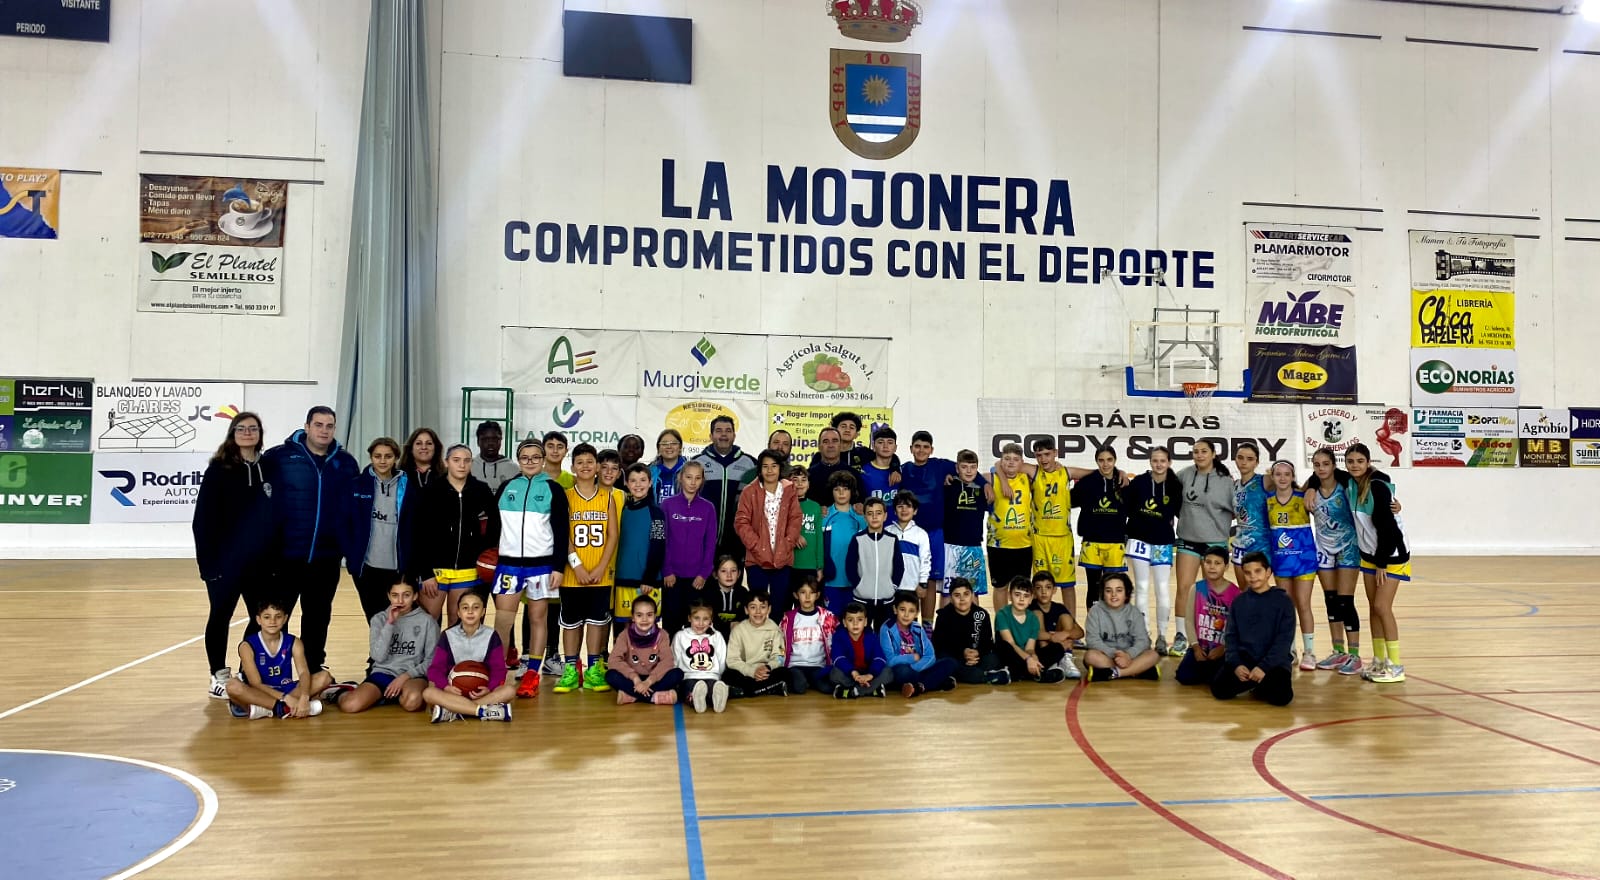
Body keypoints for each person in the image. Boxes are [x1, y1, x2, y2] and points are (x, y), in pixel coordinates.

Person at [261, 406, 359, 674]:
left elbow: (352, 509)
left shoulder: (346, 463)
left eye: (329, 426)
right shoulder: (279, 458)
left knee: (317, 618)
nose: (324, 431)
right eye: (318, 425)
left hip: (326, 558)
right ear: (306, 426)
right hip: (286, 556)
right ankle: (266, 672)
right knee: (276, 616)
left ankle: (313, 669)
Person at [195, 410, 276, 699]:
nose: (247, 433)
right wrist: (208, 565)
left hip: (260, 564)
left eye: (253, 428)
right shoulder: (219, 469)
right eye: (241, 429)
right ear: (233, 433)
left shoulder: (268, 467)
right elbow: (202, 520)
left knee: (260, 619)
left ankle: (246, 671)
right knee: (221, 616)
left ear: (259, 434)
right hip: (225, 564)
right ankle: (218, 674)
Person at [492, 439, 567, 698]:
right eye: (525, 457)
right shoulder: (506, 487)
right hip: (509, 565)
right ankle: (498, 673)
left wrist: (558, 567)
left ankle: (532, 674)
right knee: (503, 620)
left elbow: (561, 531)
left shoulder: (554, 489)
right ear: (518, 459)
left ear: (543, 459)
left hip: (542, 565)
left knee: (538, 619)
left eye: (536, 457)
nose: (531, 462)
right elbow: (494, 527)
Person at [554, 443, 619, 694]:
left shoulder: (607, 498)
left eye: (589, 462)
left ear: (597, 468)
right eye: (579, 462)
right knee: (570, 623)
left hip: (599, 574)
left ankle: (593, 669)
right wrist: (577, 565)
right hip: (572, 574)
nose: (584, 466)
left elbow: (612, 536)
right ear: (572, 467)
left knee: (596, 622)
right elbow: (563, 534)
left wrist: (601, 567)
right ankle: (571, 669)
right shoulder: (566, 496)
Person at [1344, 443, 1411, 684]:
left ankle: (1396, 666)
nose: (1355, 466)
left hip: (1390, 555)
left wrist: (1382, 563)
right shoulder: (1351, 483)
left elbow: (1388, 530)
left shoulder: (1377, 488)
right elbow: (1322, 475)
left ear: (1368, 462)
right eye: (1350, 461)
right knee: (1373, 607)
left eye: (1360, 461)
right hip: (1370, 556)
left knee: (1383, 607)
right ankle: (1379, 660)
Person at [414, 445, 499, 625]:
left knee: (457, 623)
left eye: (466, 461)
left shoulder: (481, 491)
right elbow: (418, 533)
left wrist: (484, 556)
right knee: (427, 622)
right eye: (456, 460)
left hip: (467, 571)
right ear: (446, 463)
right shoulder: (431, 490)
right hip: (435, 571)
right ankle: (430, 655)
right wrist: (425, 572)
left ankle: (453, 655)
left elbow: (493, 528)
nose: (462, 465)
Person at [341, 437, 418, 625]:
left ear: (396, 458)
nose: (382, 461)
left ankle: (393, 655)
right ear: (371, 457)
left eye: (388, 456)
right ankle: (377, 654)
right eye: (377, 456)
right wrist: (351, 557)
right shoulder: (356, 485)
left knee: (397, 620)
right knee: (375, 619)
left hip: (397, 568)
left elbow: (414, 526)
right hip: (367, 568)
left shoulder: (408, 487)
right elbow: (344, 523)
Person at [1303, 447, 1364, 675]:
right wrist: (1309, 487)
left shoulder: (1347, 486)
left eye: (1325, 464)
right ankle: (1338, 651)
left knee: (1345, 600)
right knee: (1331, 600)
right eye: (1316, 464)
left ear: (1333, 465)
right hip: (1324, 549)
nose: (1321, 469)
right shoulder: (1311, 490)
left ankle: (1355, 655)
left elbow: (1376, 481)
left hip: (1348, 547)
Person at [337, 580, 438, 713]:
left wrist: (405, 677)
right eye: (395, 595)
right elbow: (377, 656)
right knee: (350, 706)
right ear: (389, 596)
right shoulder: (379, 619)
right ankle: (341, 691)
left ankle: (392, 696)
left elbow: (431, 661)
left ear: (415, 596)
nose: (400, 601)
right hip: (384, 673)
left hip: (412, 676)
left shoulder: (427, 621)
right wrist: (390, 624)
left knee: (413, 702)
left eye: (406, 595)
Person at [224, 598, 333, 719]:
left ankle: (268, 709)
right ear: (258, 620)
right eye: (267, 617)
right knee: (232, 686)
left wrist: (304, 697)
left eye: (278, 616)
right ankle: (282, 708)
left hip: (287, 688)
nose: (272, 621)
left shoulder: (294, 641)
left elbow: (303, 672)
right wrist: (285, 698)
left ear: (285, 618)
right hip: (261, 691)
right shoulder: (247, 646)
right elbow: (256, 683)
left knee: (324, 677)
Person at [1172, 439, 1232, 660]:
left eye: (1204, 451)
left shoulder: (1225, 481)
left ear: (1214, 454)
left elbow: (1237, 510)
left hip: (1214, 542)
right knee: (1185, 588)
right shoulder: (1184, 475)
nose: (1199, 455)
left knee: (1213, 592)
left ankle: (1217, 638)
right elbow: (1171, 498)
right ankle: (1180, 636)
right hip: (1188, 538)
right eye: (1195, 451)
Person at [1210, 553, 1295, 706]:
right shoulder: (1239, 601)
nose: (1253, 577)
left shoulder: (1284, 602)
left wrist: (1263, 667)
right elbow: (1231, 636)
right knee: (1219, 689)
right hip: (1246, 660)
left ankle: (1258, 684)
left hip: (1273, 664)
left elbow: (1284, 641)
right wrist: (1236, 664)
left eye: (1258, 571)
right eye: (1248, 573)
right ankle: (1254, 683)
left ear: (1268, 572)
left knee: (1282, 698)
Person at [422, 590, 516, 722]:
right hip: (454, 692)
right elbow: (435, 670)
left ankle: (453, 711)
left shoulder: (491, 635)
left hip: (480, 693)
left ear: (483, 611)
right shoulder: (447, 635)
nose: (470, 611)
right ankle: (483, 711)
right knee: (428, 693)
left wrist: (489, 688)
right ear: (459, 613)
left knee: (510, 690)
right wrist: (446, 687)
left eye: (476, 607)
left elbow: (499, 669)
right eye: (465, 608)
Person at [1124, 446, 1182, 653]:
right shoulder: (1139, 482)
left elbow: (1181, 512)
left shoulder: (1175, 485)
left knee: (1162, 588)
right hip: (1139, 540)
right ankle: (1144, 636)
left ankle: (1161, 636)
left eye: (1162, 461)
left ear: (1169, 462)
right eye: (1155, 460)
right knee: (1141, 587)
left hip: (1163, 542)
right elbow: (1127, 507)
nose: (1158, 464)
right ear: (1150, 462)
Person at [1266, 460, 1319, 671]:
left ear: (1293, 476)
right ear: (1272, 476)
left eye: (1286, 474)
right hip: (1281, 559)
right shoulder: (1267, 500)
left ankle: (1310, 652)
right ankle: (1289, 649)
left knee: (1303, 604)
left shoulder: (1303, 497)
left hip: (1304, 558)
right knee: (1285, 607)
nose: (1282, 478)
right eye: (1278, 474)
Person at [733, 449, 803, 610]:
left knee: (779, 606)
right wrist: (758, 547)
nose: (770, 470)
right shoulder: (749, 491)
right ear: (759, 469)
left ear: (780, 468)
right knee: (758, 606)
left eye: (774, 466)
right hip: (756, 559)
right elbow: (741, 522)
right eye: (765, 466)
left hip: (783, 558)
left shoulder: (789, 490)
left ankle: (776, 636)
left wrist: (786, 544)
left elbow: (795, 519)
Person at [900, 431, 957, 623]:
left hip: (934, 532)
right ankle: (909, 624)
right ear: (911, 449)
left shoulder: (940, 465)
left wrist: (985, 484)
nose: (921, 450)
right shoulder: (904, 469)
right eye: (917, 446)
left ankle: (927, 624)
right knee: (910, 578)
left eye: (926, 447)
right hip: (910, 533)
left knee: (931, 580)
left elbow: (967, 467)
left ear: (931, 449)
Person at [692, 415, 759, 565]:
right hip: (702, 539)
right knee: (703, 585)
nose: (723, 434)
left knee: (732, 583)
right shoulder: (697, 462)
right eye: (719, 431)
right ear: (711, 435)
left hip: (737, 541)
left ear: (734, 435)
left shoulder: (750, 464)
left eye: (728, 431)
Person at [660, 461, 717, 633]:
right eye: (688, 477)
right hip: (672, 577)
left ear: (702, 480)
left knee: (694, 625)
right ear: (680, 478)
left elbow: (710, 543)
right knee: (671, 622)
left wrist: (704, 573)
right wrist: (667, 570)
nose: (693, 482)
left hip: (696, 579)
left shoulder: (708, 508)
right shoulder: (667, 505)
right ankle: (670, 659)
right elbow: (663, 540)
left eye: (697, 478)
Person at [1175, 547, 1242, 686]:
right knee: (1183, 677)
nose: (1212, 567)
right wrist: (1195, 647)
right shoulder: (1197, 588)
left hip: (1223, 650)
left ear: (1226, 566)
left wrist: (1223, 648)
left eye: (1217, 563)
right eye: (1208, 562)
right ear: (1203, 564)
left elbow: (1238, 628)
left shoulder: (1235, 593)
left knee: (1220, 681)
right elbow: (1189, 621)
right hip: (1201, 648)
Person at [1073, 446, 1128, 612]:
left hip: (1115, 543)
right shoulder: (1087, 483)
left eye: (1109, 460)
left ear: (1115, 461)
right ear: (1096, 461)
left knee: (1114, 589)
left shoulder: (1123, 483)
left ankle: (1113, 629)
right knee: (1094, 587)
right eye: (1101, 460)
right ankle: (1094, 629)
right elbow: (1069, 500)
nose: (1105, 464)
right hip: (1092, 542)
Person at [614, 463, 666, 637]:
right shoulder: (623, 510)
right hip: (623, 578)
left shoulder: (656, 512)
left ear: (651, 482)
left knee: (646, 628)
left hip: (647, 582)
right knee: (624, 630)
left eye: (643, 480)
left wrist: (649, 578)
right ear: (626, 483)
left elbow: (658, 546)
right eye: (633, 481)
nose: (638, 485)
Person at [605, 594, 682, 705]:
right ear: (633, 617)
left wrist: (648, 682)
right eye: (639, 615)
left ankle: (632, 696)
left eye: (649, 615)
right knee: (610, 675)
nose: (644, 619)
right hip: (632, 679)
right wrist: (635, 678)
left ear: (655, 616)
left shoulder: (662, 635)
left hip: (654, 678)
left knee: (677, 674)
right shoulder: (624, 635)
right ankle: (654, 697)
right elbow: (614, 660)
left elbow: (667, 661)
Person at [1082, 573, 1160, 681]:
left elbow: (1143, 641)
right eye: (1108, 591)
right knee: (1090, 656)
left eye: (1119, 590)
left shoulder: (1134, 612)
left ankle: (1115, 673)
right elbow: (1092, 641)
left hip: (1131, 656)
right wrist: (1115, 654)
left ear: (1126, 593)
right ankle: (1136, 670)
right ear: (1102, 593)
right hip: (1107, 656)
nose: (1114, 594)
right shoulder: (1095, 612)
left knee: (1153, 655)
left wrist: (1128, 655)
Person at [842, 497, 905, 629]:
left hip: (886, 601)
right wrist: (858, 585)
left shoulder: (892, 539)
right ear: (865, 517)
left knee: (883, 637)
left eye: (878, 513)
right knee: (862, 636)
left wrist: (892, 587)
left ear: (885, 516)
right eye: (870, 514)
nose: (874, 517)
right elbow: (850, 566)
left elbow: (899, 566)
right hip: (862, 600)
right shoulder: (858, 539)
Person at [933, 578, 1010, 685]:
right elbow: (939, 645)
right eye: (957, 595)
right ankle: (986, 676)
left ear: (972, 595)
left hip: (976, 658)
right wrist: (963, 653)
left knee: (993, 659)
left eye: (966, 594)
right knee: (947, 662)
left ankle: (971, 675)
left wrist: (977, 653)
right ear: (951, 598)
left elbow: (988, 643)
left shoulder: (982, 614)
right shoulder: (944, 616)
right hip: (956, 657)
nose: (962, 599)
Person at [880, 591, 957, 697]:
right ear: (895, 609)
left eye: (911, 611)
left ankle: (919, 686)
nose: (906, 615)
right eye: (902, 610)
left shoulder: (918, 628)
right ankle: (933, 682)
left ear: (916, 613)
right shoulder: (887, 629)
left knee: (950, 662)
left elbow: (930, 656)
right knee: (903, 672)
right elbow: (890, 660)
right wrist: (913, 657)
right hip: (899, 670)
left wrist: (915, 667)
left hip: (917, 668)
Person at [994, 577, 1067, 683]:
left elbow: (1030, 648)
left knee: (1057, 648)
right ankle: (1038, 673)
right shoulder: (1002, 614)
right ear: (1010, 596)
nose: (1021, 599)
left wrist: (1034, 657)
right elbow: (1011, 644)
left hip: (1024, 654)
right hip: (1012, 653)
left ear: (1031, 598)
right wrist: (1028, 659)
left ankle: (1021, 673)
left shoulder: (1032, 618)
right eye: (1017, 595)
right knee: (1003, 646)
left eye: (1026, 596)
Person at [985, 443, 1034, 601]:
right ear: (1001, 460)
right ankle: (1001, 624)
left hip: (1024, 544)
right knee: (1000, 587)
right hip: (998, 545)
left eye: (1015, 459)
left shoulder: (1028, 478)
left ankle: (1018, 623)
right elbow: (970, 475)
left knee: (1021, 588)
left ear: (1022, 462)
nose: (1011, 462)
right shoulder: (991, 478)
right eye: (1007, 459)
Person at [941, 450, 990, 604]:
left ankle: (975, 628)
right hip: (950, 547)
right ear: (957, 468)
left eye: (973, 467)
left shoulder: (983, 489)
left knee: (973, 592)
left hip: (973, 547)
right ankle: (944, 626)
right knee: (947, 592)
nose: (969, 471)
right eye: (964, 467)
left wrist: (986, 484)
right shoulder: (948, 486)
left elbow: (996, 472)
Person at [724, 591, 789, 698]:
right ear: (746, 610)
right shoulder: (738, 630)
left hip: (766, 672)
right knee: (728, 676)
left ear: (769, 609)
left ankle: (747, 691)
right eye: (753, 607)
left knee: (785, 673)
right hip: (746, 672)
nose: (758, 612)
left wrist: (768, 667)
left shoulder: (775, 630)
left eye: (763, 607)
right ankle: (768, 688)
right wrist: (751, 671)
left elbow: (780, 657)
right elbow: (732, 660)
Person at [779, 577, 837, 694]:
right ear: (796, 595)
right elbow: (780, 644)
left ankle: (811, 681)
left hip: (818, 665)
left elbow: (836, 641)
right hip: (795, 665)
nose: (807, 597)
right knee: (799, 687)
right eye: (803, 592)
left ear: (817, 595)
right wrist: (781, 664)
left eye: (812, 593)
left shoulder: (827, 617)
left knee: (827, 688)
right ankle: (803, 681)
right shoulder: (788, 618)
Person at [820, 470, 866, 612]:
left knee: (852, 622)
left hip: (854, 581)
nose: (841, 493)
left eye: (845, 489)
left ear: (852, 492)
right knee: (831, 622)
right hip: (830, 580)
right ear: (831, 492)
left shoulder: (860, 519)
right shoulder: (824, 516)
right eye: (837, 489)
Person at [674, 601, 731, 713]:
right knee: (691, 688)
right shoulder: (681, 636)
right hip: (689, 676)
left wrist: (718, 675)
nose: (701, 623)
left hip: (711, 676)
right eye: (696, 618)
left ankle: (717, 698)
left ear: (711, 620)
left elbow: (722, 658)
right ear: (689, 618)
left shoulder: (716, 636)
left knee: (713, 687)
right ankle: (696, 699)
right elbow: (675, 658)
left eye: (705, 619)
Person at [827, 602, 893, 698]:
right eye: (850, 620)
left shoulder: (872, 637)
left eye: (860, 619)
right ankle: (872, 690)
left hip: (868, 672)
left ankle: (854, 691)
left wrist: (870, 675)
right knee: (834, 674)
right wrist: (853, 672)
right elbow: (838, 658)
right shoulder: (839, 637)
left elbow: (879, 658)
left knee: (888, 672)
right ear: (844, 623)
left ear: (866, 622)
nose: (855, 623)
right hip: (850, 673)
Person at [1230, 442, 1271, 589]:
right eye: (1240, 457)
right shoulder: (1234, 485)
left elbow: (1288, 483)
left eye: (1249, 458)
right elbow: (1232, 513)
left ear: (1257, 462)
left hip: (1261, 544)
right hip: (1240, 543)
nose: (1244, 462)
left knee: (1259, 589)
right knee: (1245, 591)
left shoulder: (1265, 480)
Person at [1031, 572, 1085, 679]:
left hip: (1059, 644)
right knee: (1038, 617)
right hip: (1040, 650)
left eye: (1048, 587)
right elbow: (1034, 634)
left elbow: (1080, 632)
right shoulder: (1031, 608)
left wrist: (1065, 633)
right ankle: (1051, 663)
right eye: (1039, 588)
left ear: (1054, 590)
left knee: (1066, 618)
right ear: (1033, 591)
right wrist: (1051, 637)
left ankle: (1065, 658)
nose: (1043, 592)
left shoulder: (1059, 607)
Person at [887, 490, 932, 603]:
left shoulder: (921, 534)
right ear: (894, 511)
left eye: (908, 506)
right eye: (900, 506)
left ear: (915, 511)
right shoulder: (887, 532)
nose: (904, 510)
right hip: (890, 588)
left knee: (908, 618)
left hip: (912, 588)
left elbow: (925, 561)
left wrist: (923, 583)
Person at [789, 467, 825, 584]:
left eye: (803, 480)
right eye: (795, 479)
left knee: (808, 600)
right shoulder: (783, 505)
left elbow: (819, 538)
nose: (799, 484)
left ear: (808, 484)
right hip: (789, 565)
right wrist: (795, 536)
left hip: (810, 565)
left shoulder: (815, 507)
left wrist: (820, 566)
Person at [806, 427, 854, 507]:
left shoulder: (853, 474)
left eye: (834, 441)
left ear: (840, 445)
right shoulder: (808, 476)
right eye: (825, 442)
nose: (830, 445)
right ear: (819, 446)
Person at [709, 555, 750, 638]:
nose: (729, 575)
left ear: (739, 573)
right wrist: (728, 625)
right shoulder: (709, 593)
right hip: (714, 636)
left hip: (736, 635)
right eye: (723, 571)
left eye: (733, 571)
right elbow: (708, 618)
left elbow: (745, 616)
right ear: (715, 574)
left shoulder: (743, 593)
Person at [856, 426, 900, 505]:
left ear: (895, 448)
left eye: (890, 442)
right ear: (873, 446)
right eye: (880, 442)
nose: (885, 446)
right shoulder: (862, 472)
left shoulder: (900, 471)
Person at [473, 421, 516, 493]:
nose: (491, 443)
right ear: (478, 441)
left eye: (495, 439)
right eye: (486, 439)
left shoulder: (513, 468)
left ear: (500, 441)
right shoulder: (469, 467)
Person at [648, 428, 686, 505]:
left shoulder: (689, 470)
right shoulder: (649, 471)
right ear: (658, 448)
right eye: (664, 443)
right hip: (657, 516)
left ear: (680, 447)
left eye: (674, 443)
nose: (669, 446)